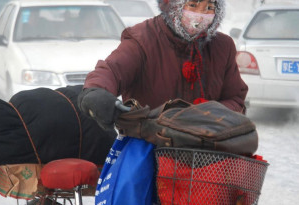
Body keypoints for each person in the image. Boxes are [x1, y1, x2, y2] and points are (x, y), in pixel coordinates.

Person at [77, 0, 248, 131]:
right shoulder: (142, 39)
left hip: (206, 151)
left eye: (209, 7)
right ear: (173, 5)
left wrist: (210, 114)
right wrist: (96, 91)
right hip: (150, 147)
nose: (200, 14)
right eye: (193, 5)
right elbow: (112, 70)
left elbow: (235, 98)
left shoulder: (222, 46)